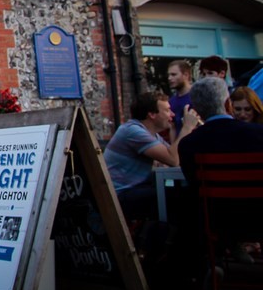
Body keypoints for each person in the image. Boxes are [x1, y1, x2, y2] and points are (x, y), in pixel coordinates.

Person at [177, 77, 263, 268]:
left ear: (197, 110)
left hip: (217, 222)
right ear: (228, 104)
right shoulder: (259, 134)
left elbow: (194, 184)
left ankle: (208, 266)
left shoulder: (189, 144)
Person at [104, 91, 200, 221]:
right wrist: (187, 128)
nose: (171, 115)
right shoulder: (133, 131)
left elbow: (176, 157)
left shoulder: (151, 135)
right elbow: (173, 159)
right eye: (167, 110)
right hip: (119, 196)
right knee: (184, 197)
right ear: (152, 114)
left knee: (182, 194)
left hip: (133, 190)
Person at [167, 60, 193, 133]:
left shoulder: (197, 97)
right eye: (168, 75)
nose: (169, 78)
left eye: (173, 74)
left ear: (186, 75)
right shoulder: (171, 102)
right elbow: (172, 127)